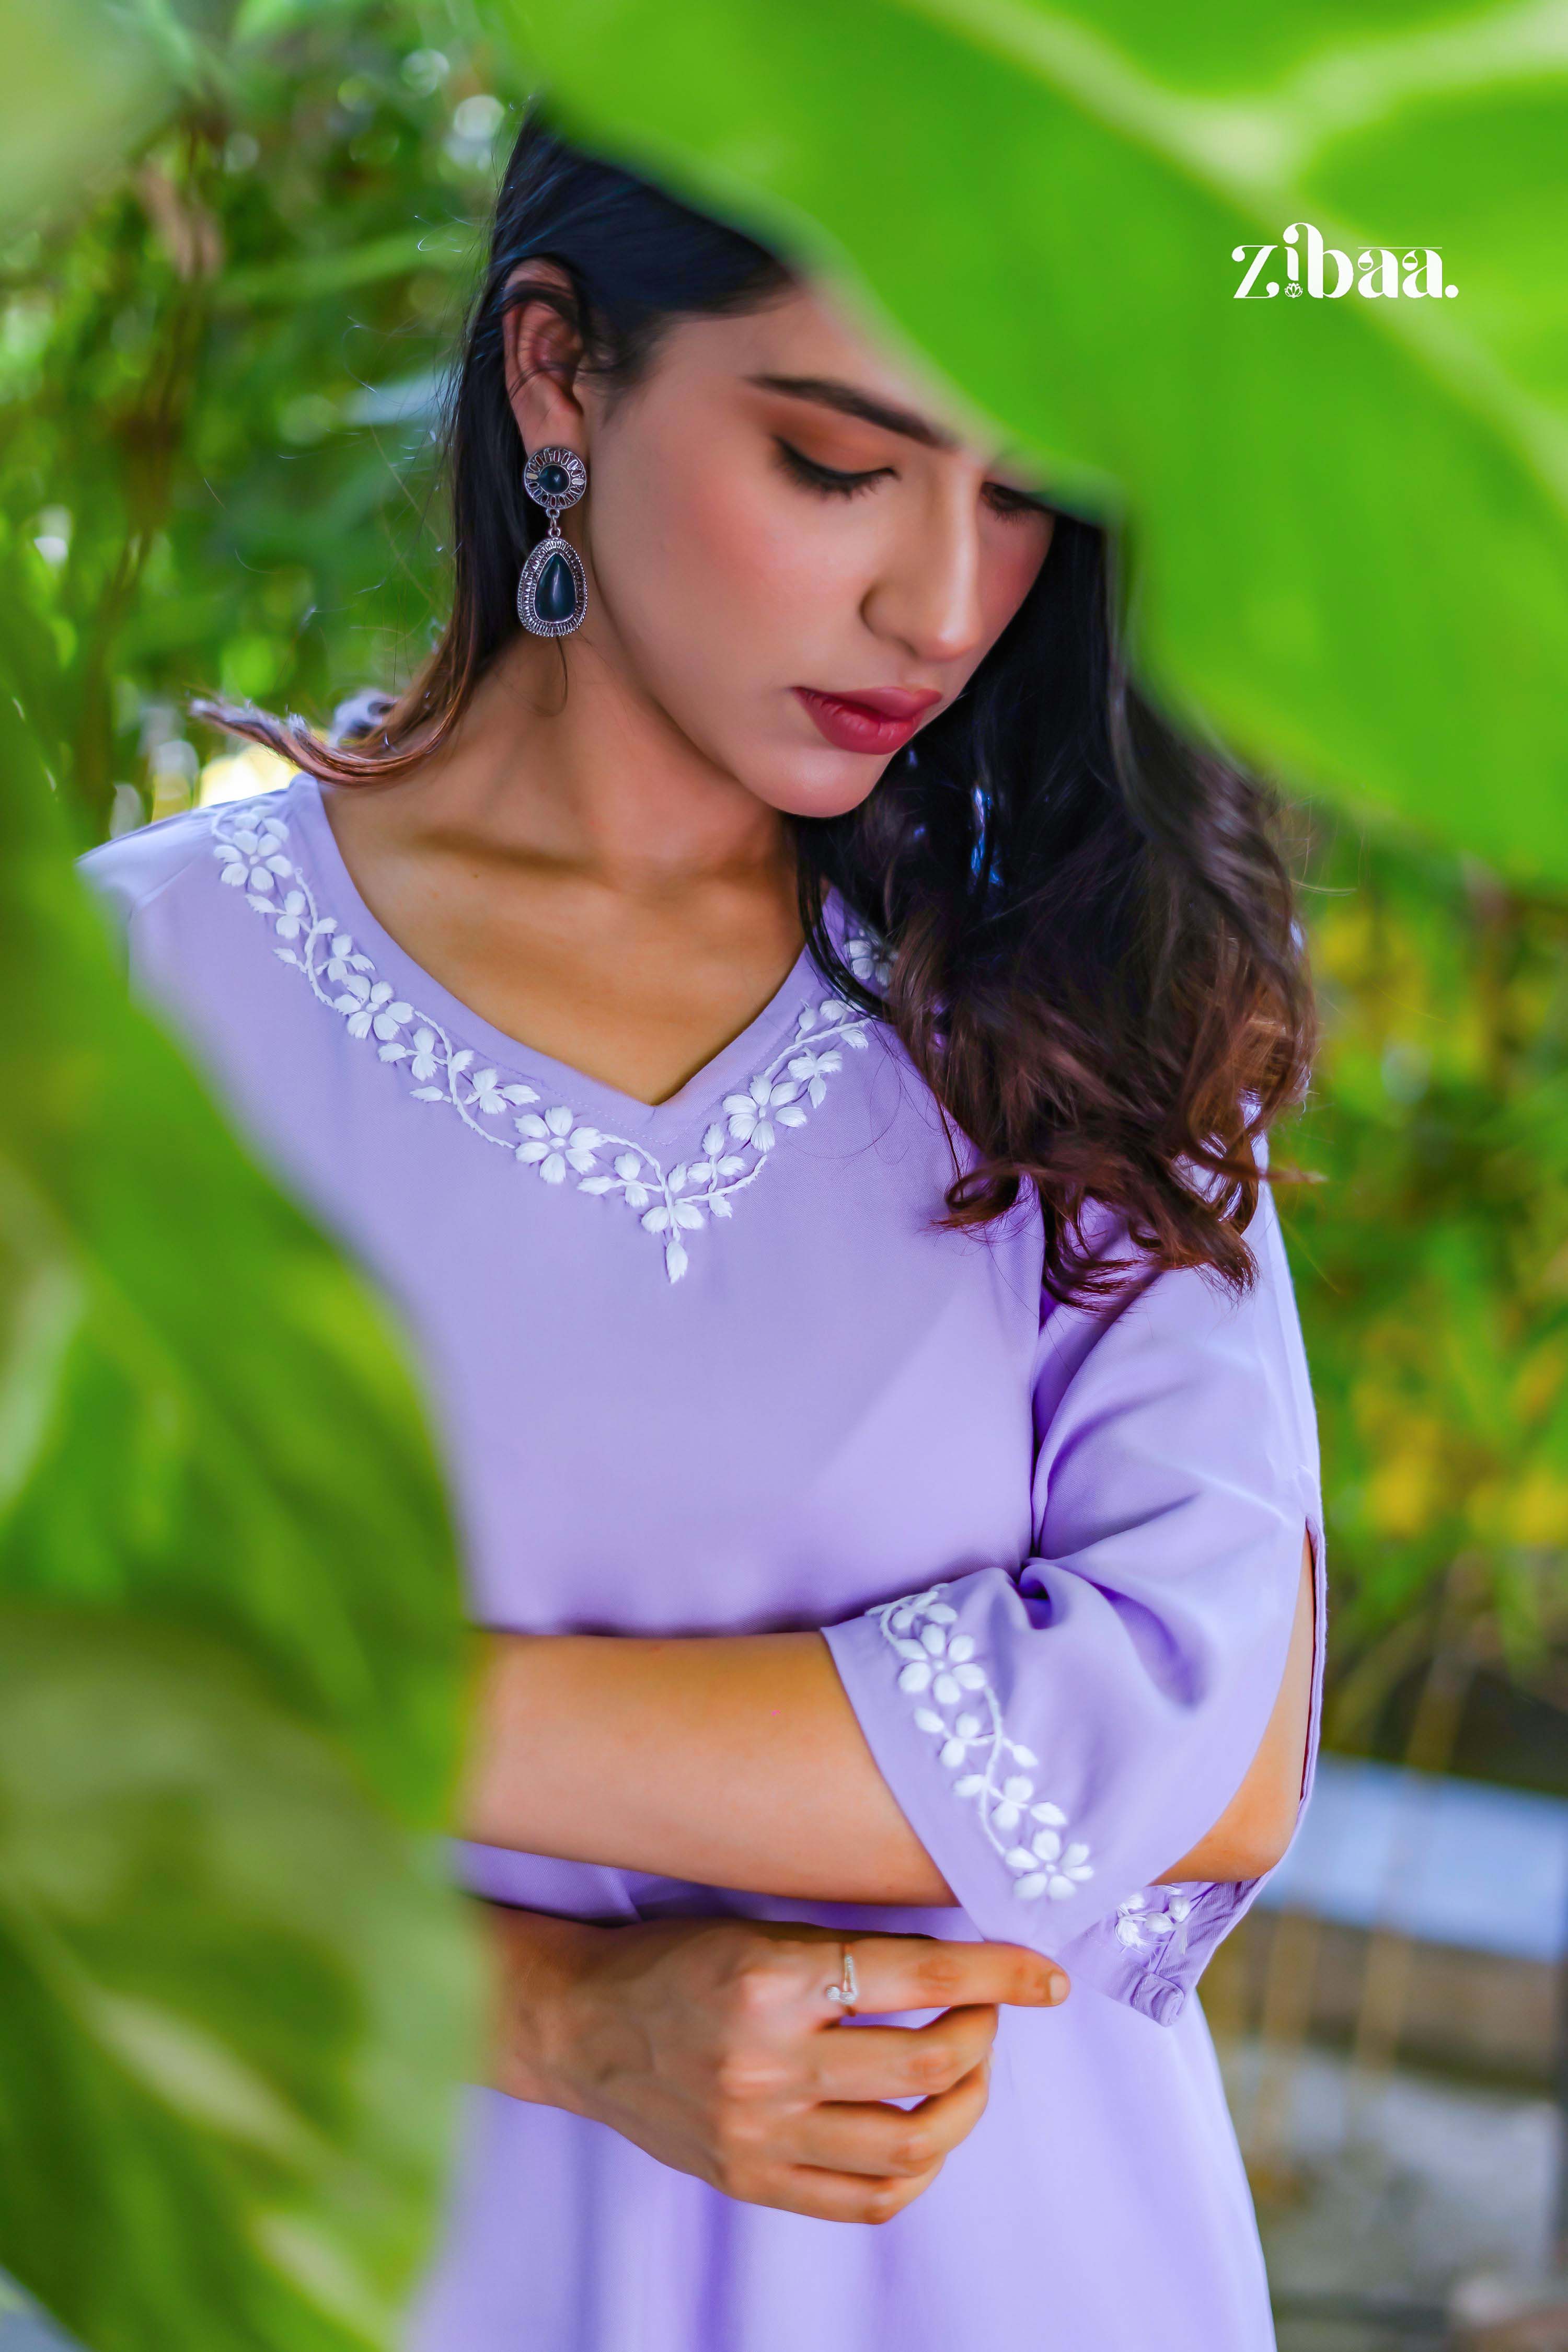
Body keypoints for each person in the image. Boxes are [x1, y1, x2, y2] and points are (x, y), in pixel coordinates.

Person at [80, 107, 1325, 2352]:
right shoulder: (114, 1017)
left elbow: (1209, 1719)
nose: (946, 602)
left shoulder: (1083, 990)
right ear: (560, 374)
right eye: (842, 466)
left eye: (1026, 487)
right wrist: (558, 2019)